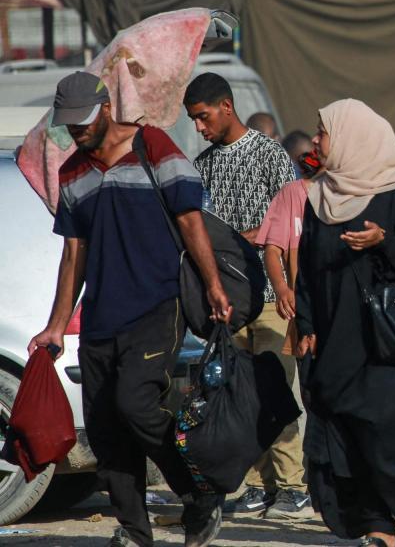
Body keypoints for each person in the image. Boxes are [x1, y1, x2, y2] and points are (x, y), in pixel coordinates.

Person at [28, 72, 228, 547]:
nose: (76, 131)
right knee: (104, 428)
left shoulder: (152, 145)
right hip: (101, 315)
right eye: (68, 124)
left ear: (105, 107)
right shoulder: (71, 173)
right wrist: (56, 326)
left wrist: (214, 284)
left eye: (82, 120)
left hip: (159, 304)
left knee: (136, 404)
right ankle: (135, 531)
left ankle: (197, 494)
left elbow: (190, 219)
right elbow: (73, 254)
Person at [294, 99, 395, 547]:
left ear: (352, 136)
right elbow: (308, 270)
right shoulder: (319, 197)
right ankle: (376, 526)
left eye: (324, 132)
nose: (317, 140)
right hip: (336, 334)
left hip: (387, 338)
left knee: (387, 431)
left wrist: (383, 240)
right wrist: (307, 321)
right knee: (347, 432)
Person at [183, 73, 310, 520]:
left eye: (203, 117)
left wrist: (247, 247)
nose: (199, 127)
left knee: (274, 390)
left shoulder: (271, 156)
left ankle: (293, 485)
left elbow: (292, 226)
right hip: (229, 301)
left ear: (226, 107)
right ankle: (256, 485)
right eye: (193, 120)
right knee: (238, 397)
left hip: (275, 299)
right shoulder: (202, 167)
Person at [255, 148, 323, 371]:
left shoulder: (354, 194)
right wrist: (281, 288)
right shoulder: (293, 194)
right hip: (304, 315)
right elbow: (272, 249)